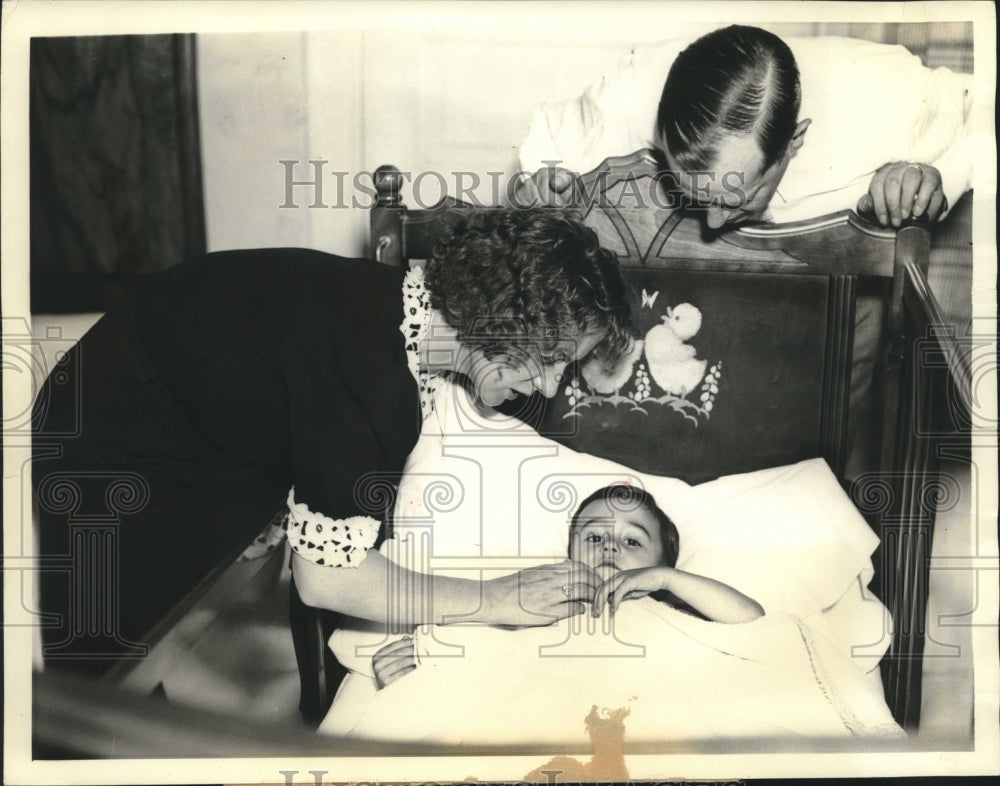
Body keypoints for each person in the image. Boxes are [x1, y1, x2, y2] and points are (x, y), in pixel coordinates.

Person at [31, 210, 632, 698]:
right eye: (552, 359)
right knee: (108, 689)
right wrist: (496, 600)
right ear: (501, 322)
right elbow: (327, 580)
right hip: (107, 443)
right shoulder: (377, 379)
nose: (553, 388)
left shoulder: (402, 305)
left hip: (184, 397)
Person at [517, 25, 972, 229]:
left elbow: (977, 115)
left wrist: (927, 176)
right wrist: (538, 186)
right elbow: (548, 145)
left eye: (736, 200)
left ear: (794, 140)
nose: (712, 223)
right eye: (691, 194)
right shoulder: (632, 90)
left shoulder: (891, 92)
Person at [368, 483, 763, 690]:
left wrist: (667, 581)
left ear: (662, 567)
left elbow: (755, 623)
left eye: (632, 541)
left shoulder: (672, 609)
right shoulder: (536, 606)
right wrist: (409, 686)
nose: (610, 546)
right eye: (594, 538)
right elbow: (485, 675)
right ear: (569, 554)